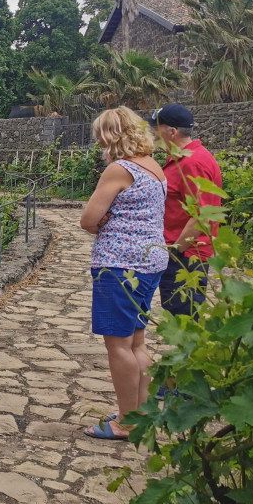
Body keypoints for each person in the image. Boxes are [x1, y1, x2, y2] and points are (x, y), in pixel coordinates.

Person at [79, 107, 168, 440]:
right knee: (137, 342)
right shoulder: (154, 166)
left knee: (117, 346)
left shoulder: (119, 169)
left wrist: (104, 222)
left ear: (110, 136)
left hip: (119, 264)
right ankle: (141, 412)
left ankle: (127, 421)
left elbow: (88, 219)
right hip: (150, 262)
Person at [151, 103, 222, 321]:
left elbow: (201, 216)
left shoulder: (193, 163)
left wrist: (175, 250)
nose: (153, 133)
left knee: (185, 322)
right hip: (181, 253)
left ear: (171, 131)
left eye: (157, 128)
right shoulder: (182, 159)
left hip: (186, 257)